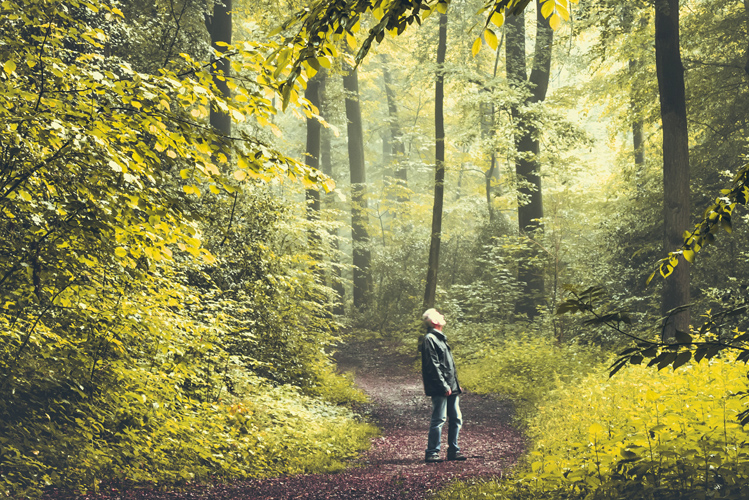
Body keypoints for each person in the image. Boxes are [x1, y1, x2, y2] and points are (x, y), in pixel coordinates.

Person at [419, 308, 466, 463]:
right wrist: (444, 385)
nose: (443, 316)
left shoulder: (441, 338)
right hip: (442, 387)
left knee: (456, 419)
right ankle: (432, 452)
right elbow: (433, 366)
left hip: (451, 386)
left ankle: (454, 451)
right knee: (439, 419)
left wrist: (456, 385)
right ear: (434, 321)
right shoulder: (430, 339)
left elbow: (449, 366)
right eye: (439, 315)